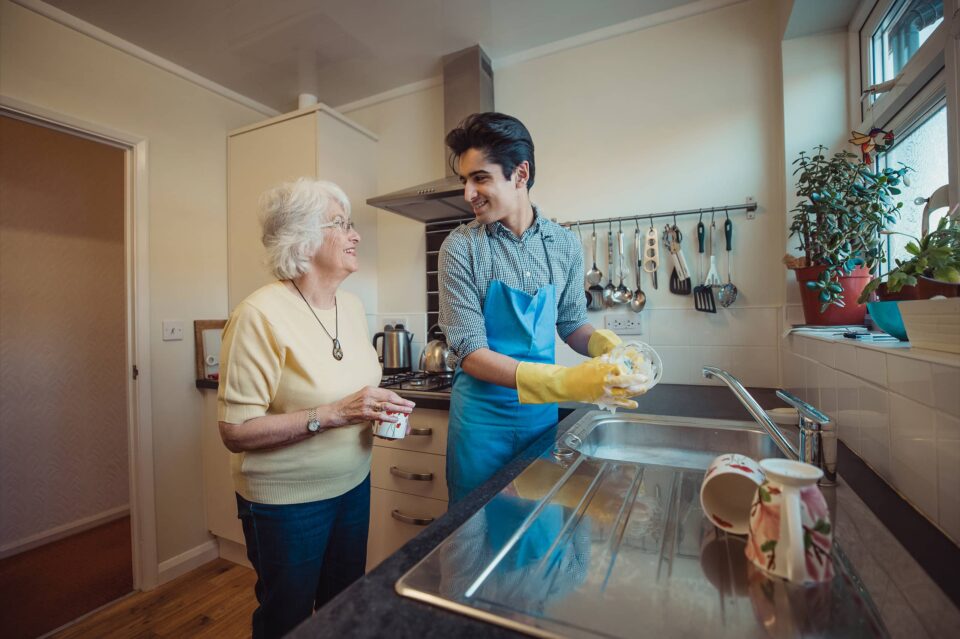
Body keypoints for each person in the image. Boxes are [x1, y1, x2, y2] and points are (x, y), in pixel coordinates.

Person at [217, 178, 414, 639]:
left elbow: (349, 386)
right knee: (286, 619)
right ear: (301, 238)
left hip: (352, 483)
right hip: (289, 502)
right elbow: (235, 431)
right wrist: (336, 413)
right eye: (341, 224)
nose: (355, 235)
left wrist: (374, 406)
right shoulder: (259, 315)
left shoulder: (351, 304)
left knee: (342, 609)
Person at [439, 112, 638, 504]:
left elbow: (571, 322)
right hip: (480, 428)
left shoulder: (564, 245)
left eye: (480, 177)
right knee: (475, 539)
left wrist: (606, 346)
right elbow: (472, 353)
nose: (468, 193)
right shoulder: (461, 248)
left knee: (536, 532)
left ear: (520, 173)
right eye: (464, 180)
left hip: (539, 424)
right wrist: (564, 383)